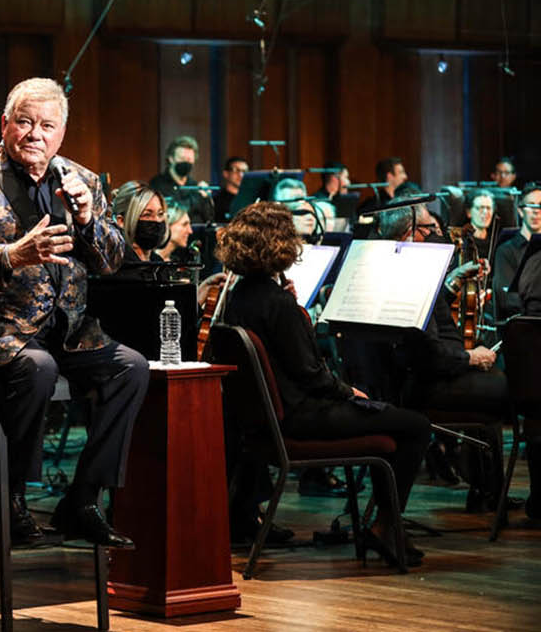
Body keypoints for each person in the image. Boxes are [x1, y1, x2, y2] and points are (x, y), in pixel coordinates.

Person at [0, 76, 148, 547]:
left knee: (130, 367)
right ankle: (11, 497)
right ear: (5, 124)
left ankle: (82, 500)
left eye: (47, 125)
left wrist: (87, 220)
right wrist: (12, 255)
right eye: (25, 122)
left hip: (64, 331)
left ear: (61, 133)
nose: (35, 134)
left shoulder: (82, 180)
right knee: (37, 367)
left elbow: (112, 261)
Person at [217, 202, 431, 566]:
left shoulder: (240, 297)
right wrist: (349, 392)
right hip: (301, 418)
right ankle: (384, 526)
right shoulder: (279, 304)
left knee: (391, 421)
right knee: (415, 425)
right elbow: (310, 374)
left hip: (263, 424)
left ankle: (385, 525)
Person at [377, 198, 516, 514]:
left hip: (422, 375)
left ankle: (487, 489)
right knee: (511, 388)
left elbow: (432, 319)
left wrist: (454, 281)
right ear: (411, 233)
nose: (438, 235)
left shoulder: (402, 268)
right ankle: (490, 489)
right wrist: (471, 358)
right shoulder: (410, 277)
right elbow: (430, 356)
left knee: (496, 387)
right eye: (431, 228)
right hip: (426, 383)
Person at [493, 184, 541, 322]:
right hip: (525, 323)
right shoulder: (506, 251)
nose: (536, 211)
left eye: (540, 205)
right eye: (530, 205)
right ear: (520, 211)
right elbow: (507, 299)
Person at [148, 136, 213, 224]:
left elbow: (208, 219)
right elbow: (173, 214)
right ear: (171, 158)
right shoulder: (157, 184)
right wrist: (197, 197)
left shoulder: (195, 185)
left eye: (189, 159)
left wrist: (206, 198)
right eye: (182, 158)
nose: (186, 162)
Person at [111, 182, 168, 264]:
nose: (157, 220)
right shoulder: (116, 264)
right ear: (121, 221)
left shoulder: (158, 262)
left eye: (160, 214)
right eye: (147, 215)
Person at [465, 189, 497, 265]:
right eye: (480, 208)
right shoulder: (462, 242)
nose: (485, 212)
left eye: (488, 208)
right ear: (469, 212)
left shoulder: (497, 241)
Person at [214, 156, 249, 222]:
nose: (241, 175)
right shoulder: (217, 201)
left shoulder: (250, 200)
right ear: (226, 173)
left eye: (244, 171)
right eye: (236, 170)